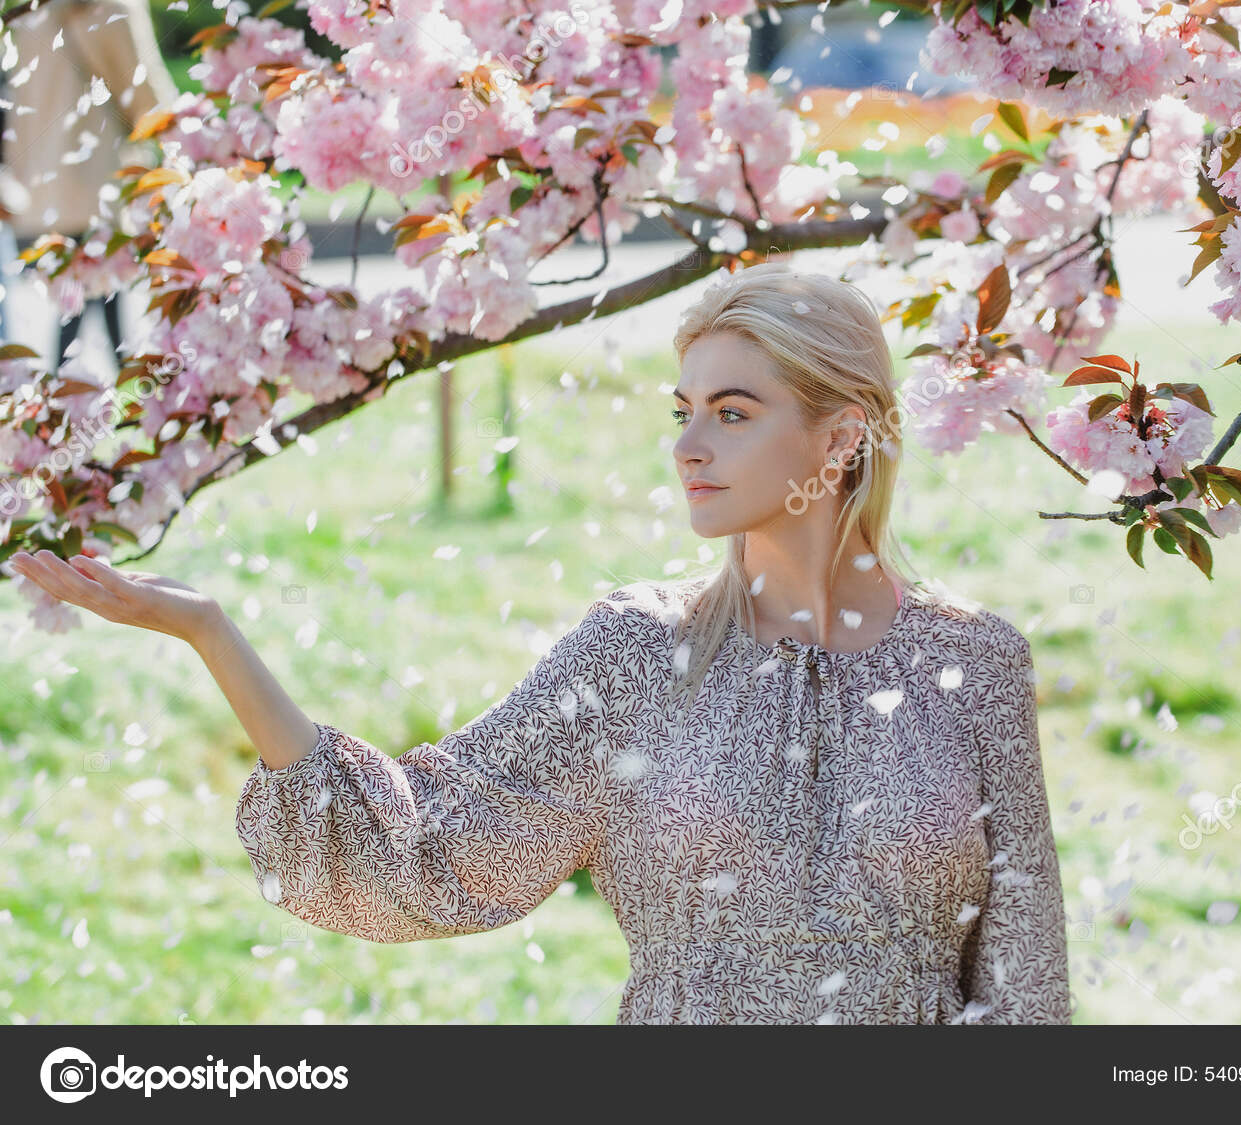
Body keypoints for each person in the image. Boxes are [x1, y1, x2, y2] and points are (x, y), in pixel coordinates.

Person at [3, 263, 1076, 1025]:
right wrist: (209, 633)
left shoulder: (976, 667)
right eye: (683, 409)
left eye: (733, 413)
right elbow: (420, 860)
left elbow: (1026, 990)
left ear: (841, 435)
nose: (687, 447)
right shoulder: (635, 659)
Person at [4, 0, 176, 368]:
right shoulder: (112, 8)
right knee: (96, 285)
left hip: (47, 178)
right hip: (100, 171)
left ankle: (83, 387)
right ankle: (106, 386)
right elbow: (142, 92)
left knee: (83, 290)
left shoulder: (32, 13)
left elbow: (20, 101)